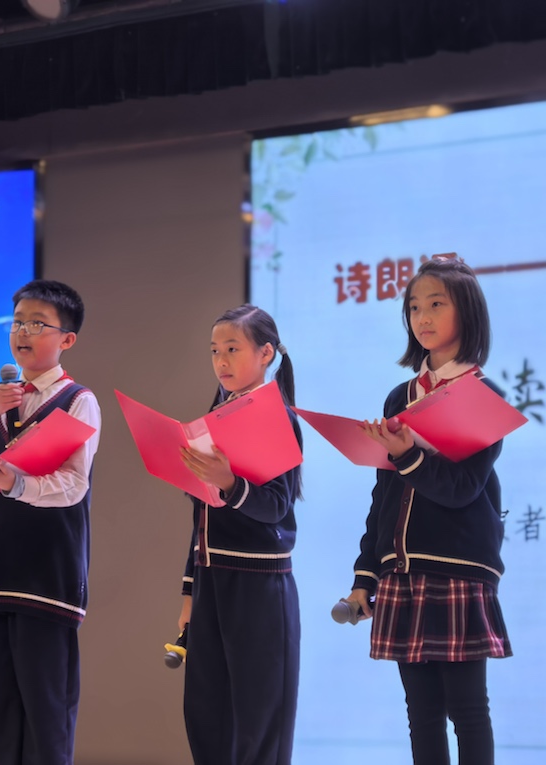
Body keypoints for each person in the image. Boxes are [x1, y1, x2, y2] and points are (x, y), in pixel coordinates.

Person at [340, 255, 512, 765]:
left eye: (437, 304)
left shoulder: (482, 394)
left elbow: (462, 489)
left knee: (468, 710)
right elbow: (383, 496)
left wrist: (408, 456)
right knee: (421, 712)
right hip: (401, 568)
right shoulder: (401, 395)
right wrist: (365, 575)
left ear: (468, 312)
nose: (423, 317)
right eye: (414, 307)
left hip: (458, 566)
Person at [0, 279, 101, 765]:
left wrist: (15, 484)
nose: (22, 332)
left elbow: (73, 484)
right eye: (17, 322)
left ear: (66, 339)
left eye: (37, 324)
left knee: (46, 722)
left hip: (46, 583)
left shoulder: (77, 400)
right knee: (1, 723)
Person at [177, 304, 302, 765]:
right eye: (214, 351)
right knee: (207, 717)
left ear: (266, 353)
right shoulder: (215, 415)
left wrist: (229, 483)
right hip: (211, 581)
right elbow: (202, 518)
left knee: (258, 724)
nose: (221, 361)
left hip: (259, 585)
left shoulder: (276, 415)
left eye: (232, 349)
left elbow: (276, 506)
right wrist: (188, 591)